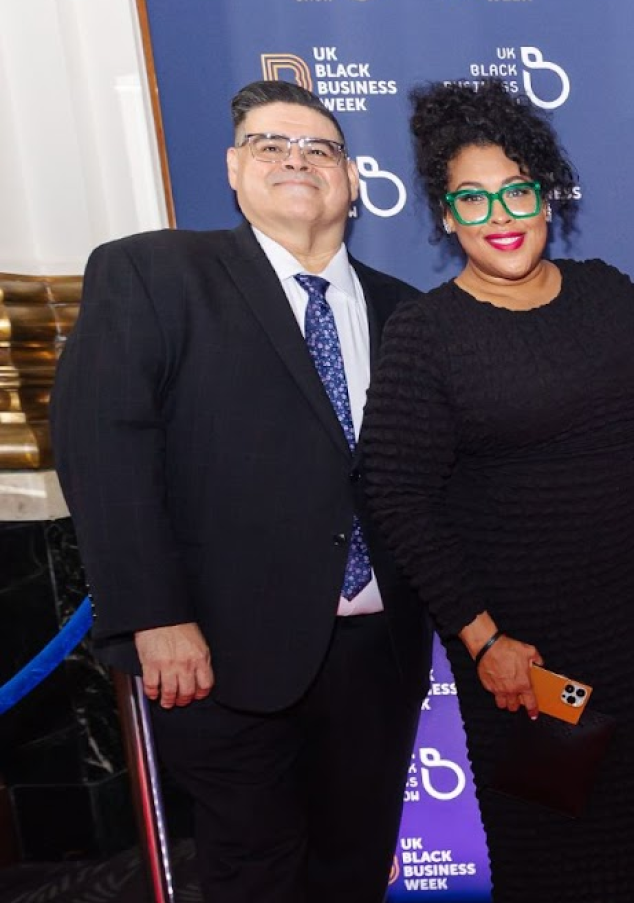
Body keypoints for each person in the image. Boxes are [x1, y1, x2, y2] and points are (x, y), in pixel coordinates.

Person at [51, 80, 430, 903]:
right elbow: (103, 446)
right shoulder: (152, 274)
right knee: (253, 872)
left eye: (319, 149)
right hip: (218, 655)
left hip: (378, 655)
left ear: (352, 179)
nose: (296, 160)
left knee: (353, 868)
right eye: (270, 146)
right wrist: (153, 615)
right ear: (232, 169)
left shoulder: (409, 312)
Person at [358, 82, 634, 901]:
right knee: (556, 859)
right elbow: (396, 494)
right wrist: (483, 641)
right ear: (445, 216)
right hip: (525, 652)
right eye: (471, 199)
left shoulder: (604, 293)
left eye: (517, 191)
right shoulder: (427, 332)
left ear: (545, 197)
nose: (499, 214)